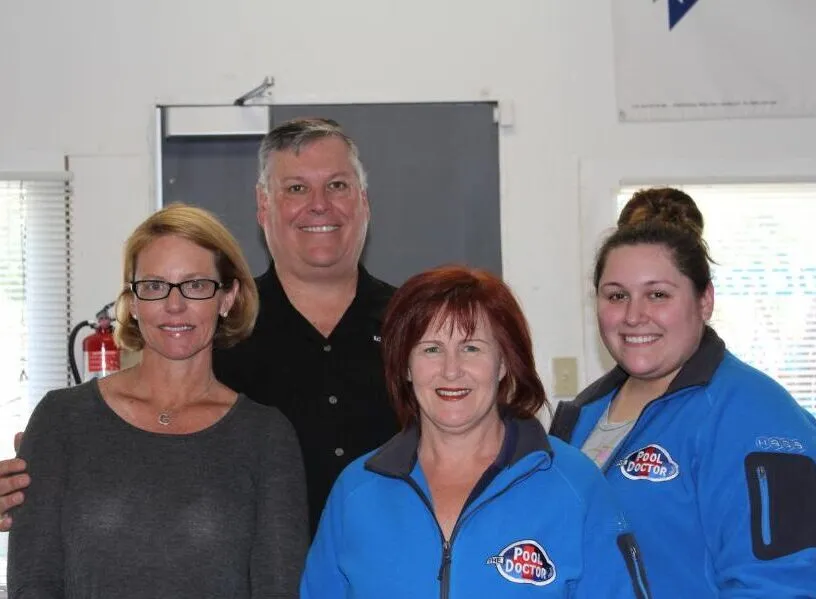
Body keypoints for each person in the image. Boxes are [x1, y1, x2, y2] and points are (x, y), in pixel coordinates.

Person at [0, 117, 399, 537]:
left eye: (337, 185)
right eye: (296, 188)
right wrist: (44, 480)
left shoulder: (418, 327)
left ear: (363, 200)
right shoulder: (207, 331)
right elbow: (136, 456)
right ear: (263, 205)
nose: (319, 204)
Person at [7, 204, 308, 598]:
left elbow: (279, 589)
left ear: (227, 298)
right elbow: (33, 583)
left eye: (195, 285)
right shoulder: (62, 420)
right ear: (132, 302)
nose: (174, 305)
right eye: (153, 286)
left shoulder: (265, 437)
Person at [301, 265, 653, 598]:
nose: (451, 370)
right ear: (405, 366)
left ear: (503, 363)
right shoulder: (356, 492)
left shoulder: (574, 485)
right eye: (431, 349)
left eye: (471, 348)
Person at [549, 187, 816, 597]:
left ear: (705, 301)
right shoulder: (583, 416)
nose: (634, 316)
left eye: (657, 295)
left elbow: (784, 583)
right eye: (617, 295)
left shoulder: (754, 417)